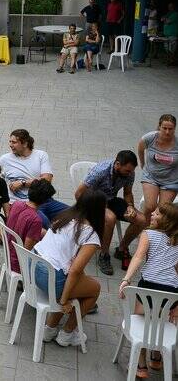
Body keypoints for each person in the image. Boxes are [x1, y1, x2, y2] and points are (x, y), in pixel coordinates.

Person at [35, 190, 104, 347]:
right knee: (94, 289)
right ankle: (67, 334)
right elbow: (74, 271)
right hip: (51, 278)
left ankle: (49, 329)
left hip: (33, 270)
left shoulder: (63, 216)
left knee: (78, 281)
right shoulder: (90, 234)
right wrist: (64, 300)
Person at [118, 202, 178, 377]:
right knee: (162, 318)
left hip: (148, 287)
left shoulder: (148, 234)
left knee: (142, 319)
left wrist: (126, 278)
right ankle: (157, 355)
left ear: (165, 220)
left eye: (157, 214)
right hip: (173, 292)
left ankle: (141, 363)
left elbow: (138, 256)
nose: (152, 214)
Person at [75, 150, 146, 275]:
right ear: (117, 164)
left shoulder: (129, 173)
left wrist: (130, 206)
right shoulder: (100, 171)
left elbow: (128, 193)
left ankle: (122, 248)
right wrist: (89, 209)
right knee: (110, 218)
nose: (130, 173)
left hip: (111, 199)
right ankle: (104, 254)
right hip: (94, 200)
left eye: (131, 171)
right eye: (127, 171)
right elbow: (79, 193)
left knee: (141, 220)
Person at [0, 128, 69, 228]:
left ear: (25, 143)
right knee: (47, 226)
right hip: (23, 205)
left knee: (76, 214)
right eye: (10, 141)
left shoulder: (41, 155)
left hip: (44, 200)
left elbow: (47, 180)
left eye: (14, 142)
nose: (10, 145)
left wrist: (22, 183)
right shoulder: (4, 160)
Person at [6, 179, 53, 273]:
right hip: (18, 264)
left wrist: (46, 234)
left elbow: (21, 225)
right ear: (45, 201)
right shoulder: (36, 220)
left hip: (8, 253)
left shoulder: (16, 204)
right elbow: (26, 251)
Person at [138, 114, 178, 218]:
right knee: (150, 206)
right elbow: (140, 148)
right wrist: (142, 163)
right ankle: (144, 228)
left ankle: (156, 232)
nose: (167, 132)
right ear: (159, 127)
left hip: (171, 180)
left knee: (162, 212)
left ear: (175, 128)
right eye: (164, 128)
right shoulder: (150, 138)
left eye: (171, 129)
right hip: (151, 176)